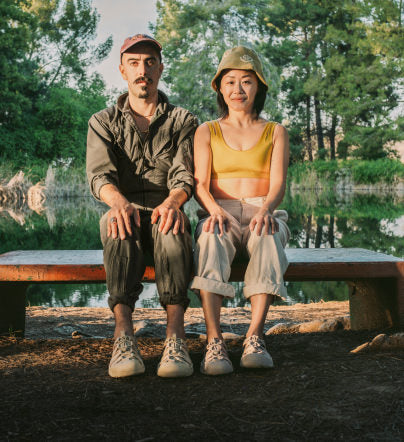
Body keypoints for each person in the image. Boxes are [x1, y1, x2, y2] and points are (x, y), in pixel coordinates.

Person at [86, 34, 198, 378]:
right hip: (128, 218)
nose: (142, 70)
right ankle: (123, 337)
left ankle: (175, 338)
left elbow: (184, 176)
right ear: (122, 70)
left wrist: (173, 203)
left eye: (150, 62)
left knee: (173, 224)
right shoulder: (102, 122)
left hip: (166, 214)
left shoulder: (183, 121)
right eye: (134, 63)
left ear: (160, 69)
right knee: (115, 223)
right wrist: (119, 203)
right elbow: (99, 177)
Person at [190, 46, 290, 375]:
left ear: (258, 86)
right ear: (219, 87)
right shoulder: (207, 130)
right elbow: (200, 184)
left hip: (264, 209)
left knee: (268, 237)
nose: (238, 89)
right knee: (210, 238)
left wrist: (269, 209)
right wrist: (213, 210)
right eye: (230, 81)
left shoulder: (275, 131)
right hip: (221, 211)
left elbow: (278, 184)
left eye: (246, 81)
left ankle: (254, 337)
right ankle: (214, 341)